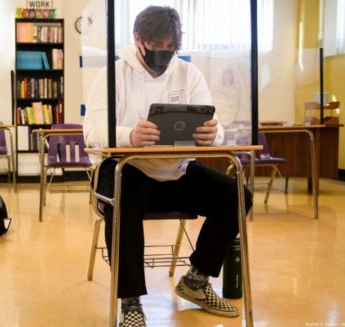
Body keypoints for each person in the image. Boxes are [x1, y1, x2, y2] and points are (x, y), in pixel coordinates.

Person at [83, 6, 252, 327]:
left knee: (236, 194)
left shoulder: (188, 74)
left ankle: (196, 280)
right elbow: (91, 132)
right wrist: (129, 135)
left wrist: (212, 134)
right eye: (155, 48)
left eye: (170, 49)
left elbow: (216, 127)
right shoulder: (113, 75)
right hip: (125, 169)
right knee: (124, 191)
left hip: (176, 171)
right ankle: (130, 301)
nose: (163, 56)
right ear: (138, 40)